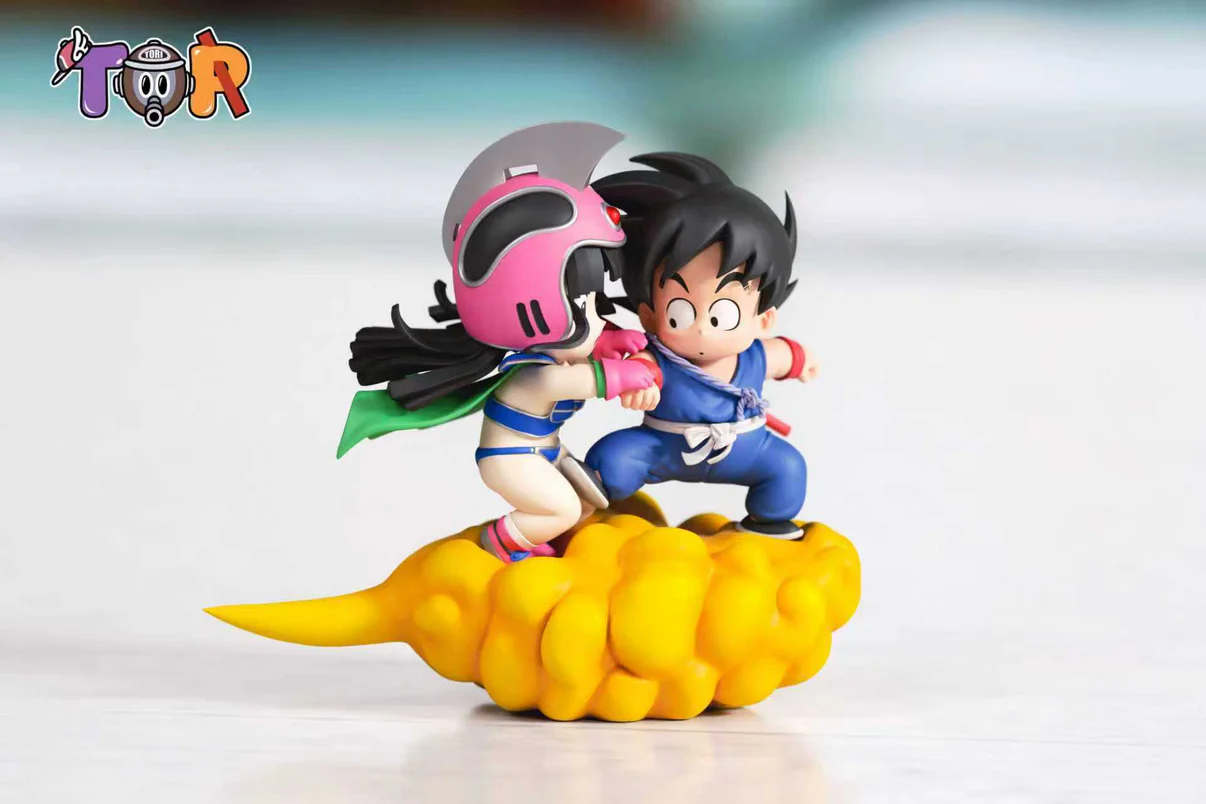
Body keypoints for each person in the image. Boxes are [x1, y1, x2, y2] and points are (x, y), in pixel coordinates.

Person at [336, 123, 656, 563]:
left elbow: (588, 360)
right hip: (512, 459)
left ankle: (543, 545)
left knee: (588, 502)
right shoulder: (535, 376)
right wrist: (628, 372)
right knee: (561, 510)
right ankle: (500, 545)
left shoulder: (550, 358)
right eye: (584, 305)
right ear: (537, 309)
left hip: (544, 451)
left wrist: (611, 341)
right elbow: (588, 380)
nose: (598, 319)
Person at [561, 153, 820, 538]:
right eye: (680, 313)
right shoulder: (658, 358)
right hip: (662, 448)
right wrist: (636, 387)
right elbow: (640, 372)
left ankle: (768, 525)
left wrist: (802, 360)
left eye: (723, 314)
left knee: (788, 469)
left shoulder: (757, 355)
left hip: (747, 451)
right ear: (649, 316)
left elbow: (785, 355)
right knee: (613, 457)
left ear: (763, 319)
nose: (701, 329)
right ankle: (572, 511)